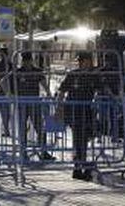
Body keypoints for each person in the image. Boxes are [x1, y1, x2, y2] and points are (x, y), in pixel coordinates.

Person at [57, 51, 101, 181]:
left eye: (89, 61)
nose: (88, 64)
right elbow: (61, 92)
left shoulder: (94, 76)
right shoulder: (73, 75)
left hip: (88, 113)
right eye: (85, 61)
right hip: (74, 113)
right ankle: (77, 168)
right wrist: (59, 108)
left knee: (85, 139)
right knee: (78, 141)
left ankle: (81, 163)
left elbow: (101, 90)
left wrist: (112, 98)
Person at [16, 51, 55, 161]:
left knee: (40, 128)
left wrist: (49, 94)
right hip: (22, 104)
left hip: (34, 104)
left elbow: (44, 84)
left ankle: (43, 152)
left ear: (31, 61)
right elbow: (4, 81)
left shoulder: (37, 71)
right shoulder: (18, 72)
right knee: (22, 130)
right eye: (24, 61)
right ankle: (23, 153)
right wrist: (10, 95)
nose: (26, 63)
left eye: (28, 61)